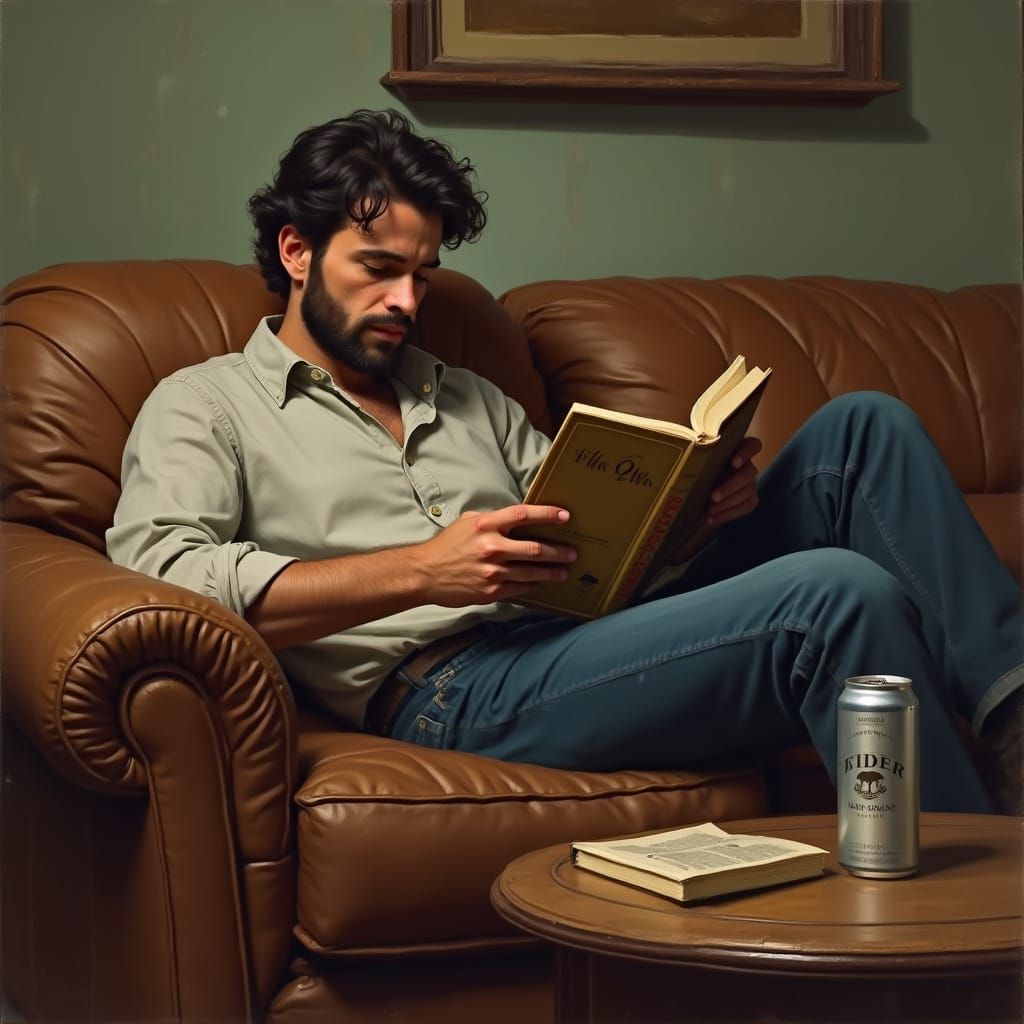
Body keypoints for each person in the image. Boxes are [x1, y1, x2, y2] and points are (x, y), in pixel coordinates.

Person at [107, 109, 1022, 814]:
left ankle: (1015, 721)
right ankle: (980, 914)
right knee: (835, 592)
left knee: (863, 431)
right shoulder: (206, 403)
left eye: (422, 276)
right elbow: (162, 576)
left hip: (576, 637)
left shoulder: (469, 397)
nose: (405, 300)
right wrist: (425, 572)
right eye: (378, 268)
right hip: (449, 688)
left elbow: (595, 556)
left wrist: (692, 518)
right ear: (296, 252)